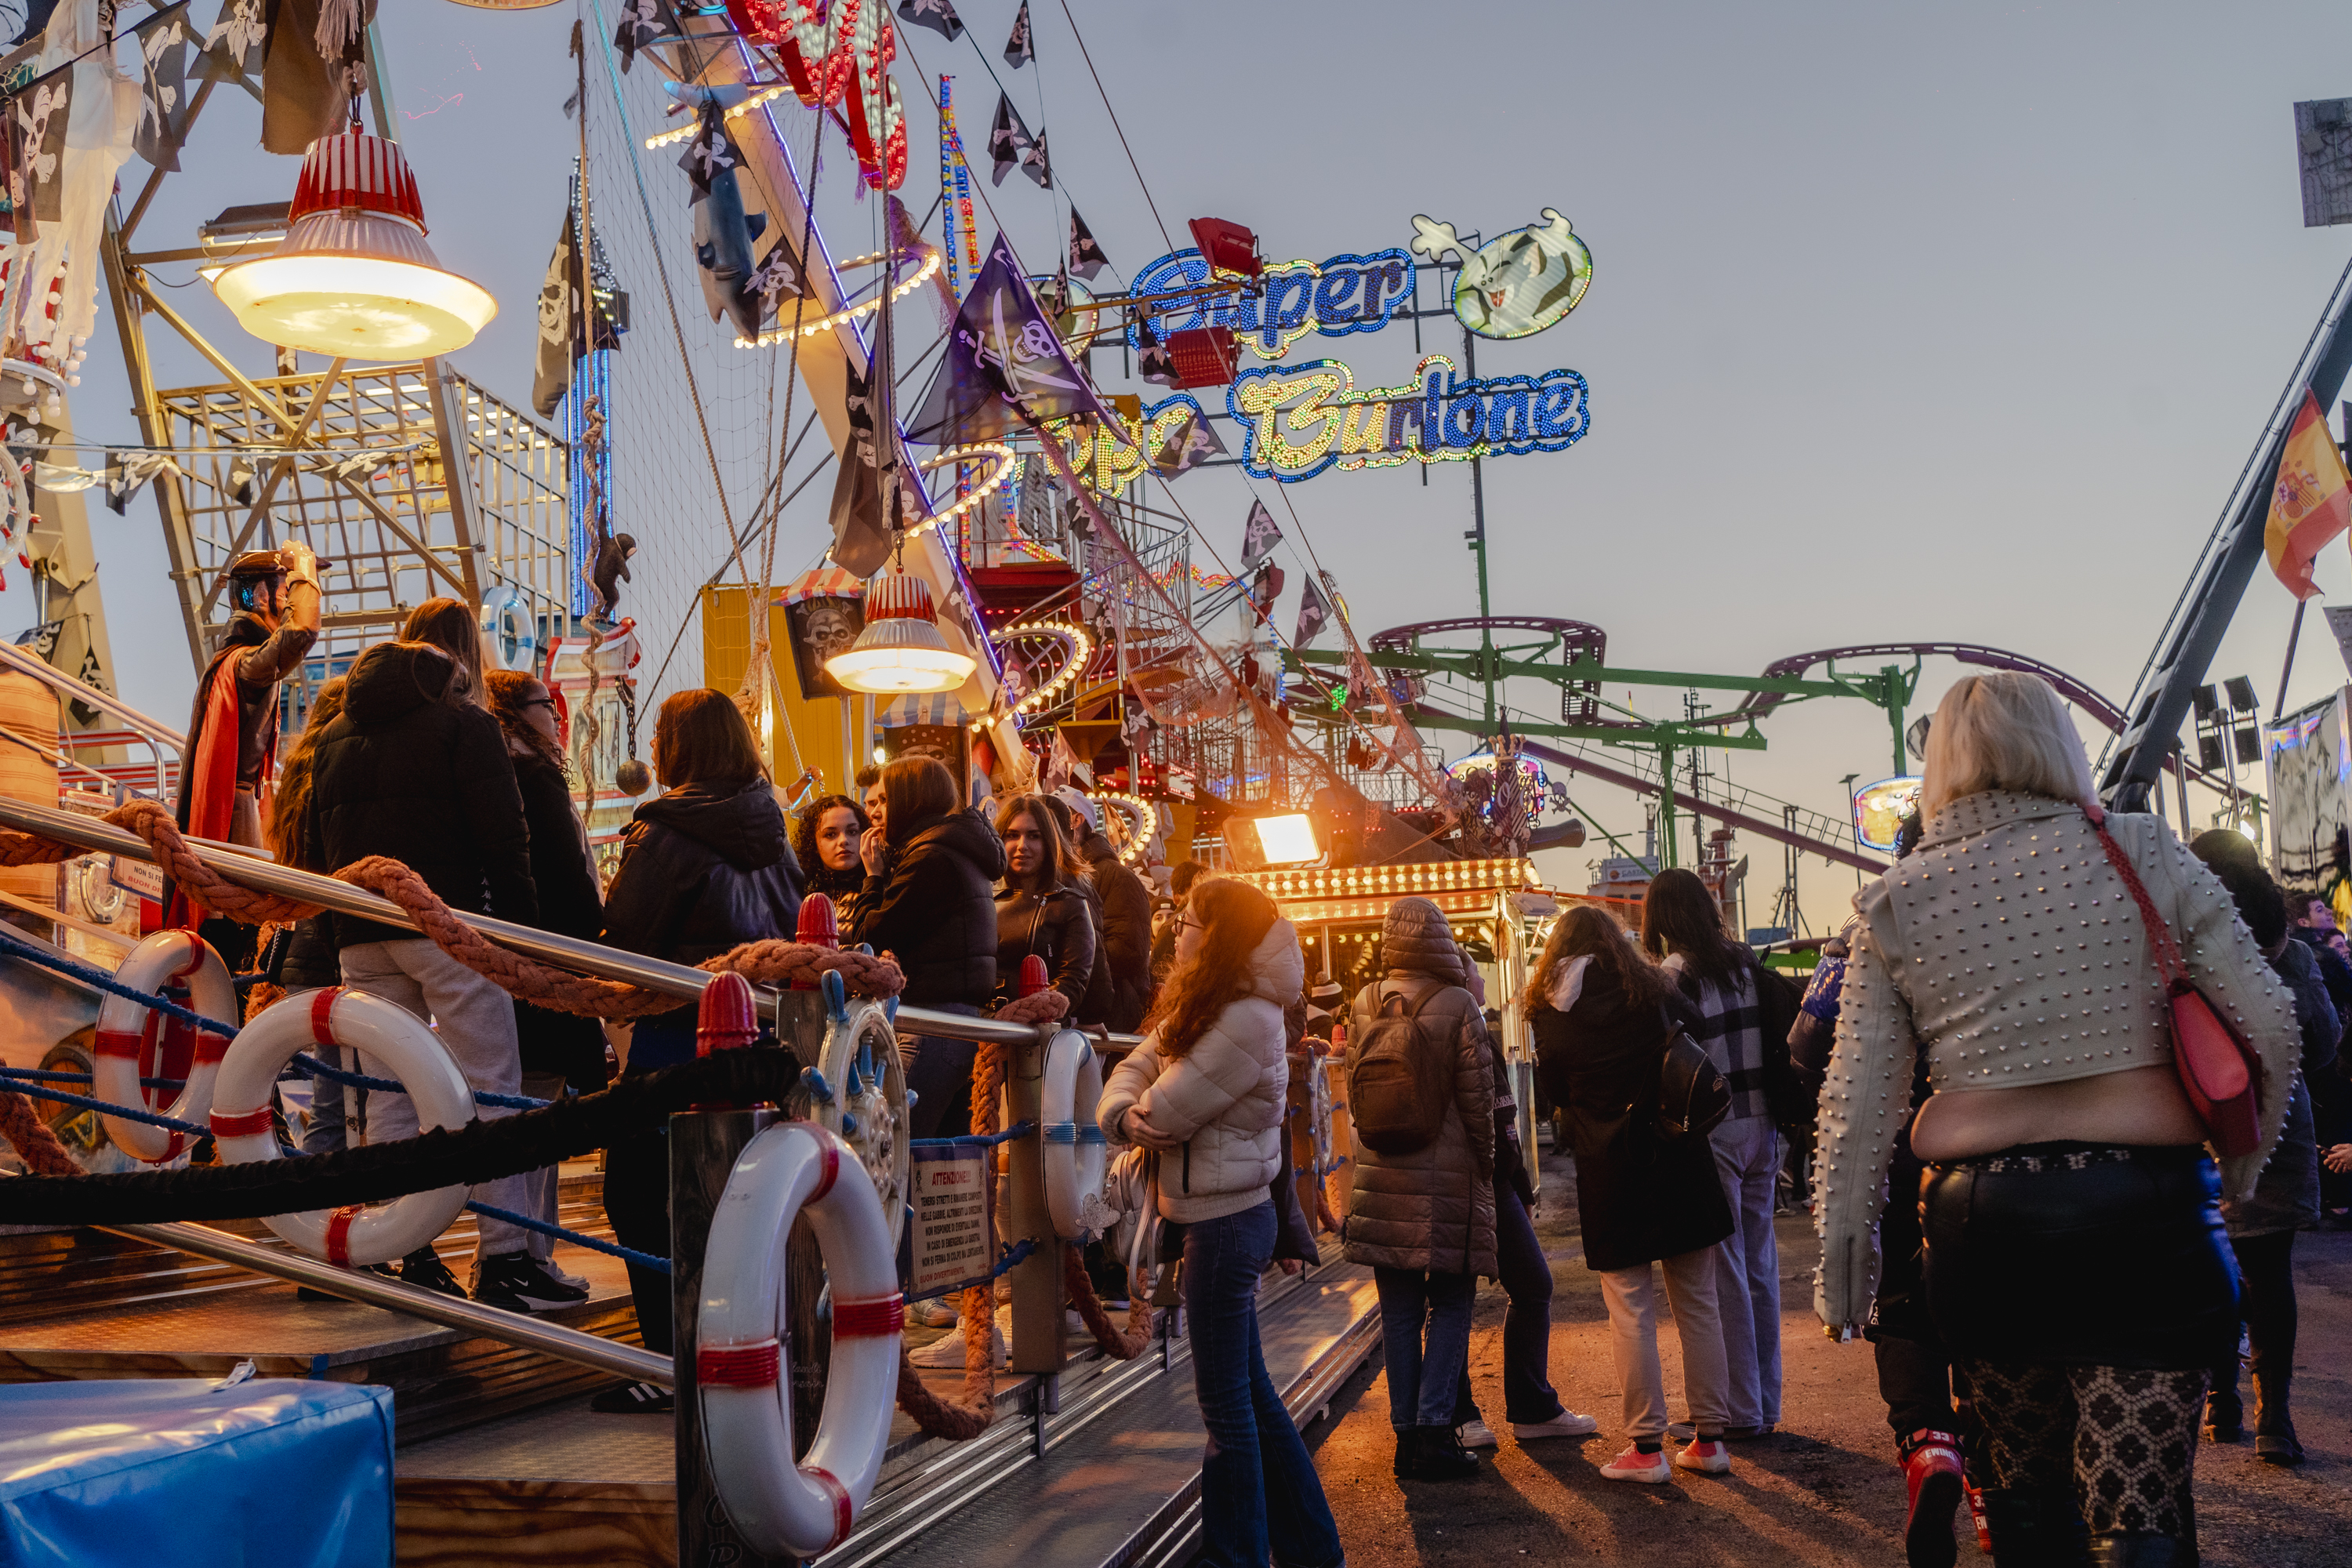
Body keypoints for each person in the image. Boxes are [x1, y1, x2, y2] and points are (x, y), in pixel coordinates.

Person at [1817, 672, 2299, 1564]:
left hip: (1986, 1226)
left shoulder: (1898, 898)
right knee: (2140, 1504)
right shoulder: (2144, 849)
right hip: (2147, 1209)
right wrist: (2240, 1168)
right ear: (2061, 743)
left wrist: (1844, 1269)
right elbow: (2271, 1021)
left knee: (2032, 1506)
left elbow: (1857, 1107)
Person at [305, 599, 565, 1311]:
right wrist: (517, 931)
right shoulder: (464, 725)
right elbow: (502, 835)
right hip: (449, 928)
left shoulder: (332, 738)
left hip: (361, 928)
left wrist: (337, 932)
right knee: (491, 1085)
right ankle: (506, 1255)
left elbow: (312, 852)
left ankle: (405, 1247)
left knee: (388, 1093)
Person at [1098, 878, 1343, 1568]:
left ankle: (1236, 1555)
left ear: (1219, 935)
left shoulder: (1245, 1018)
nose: (1178, 930)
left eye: (1190, 921)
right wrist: (1123, 1109)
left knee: (1227, 1407)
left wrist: (1129, 1111)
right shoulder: (1216, 1004)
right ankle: (1310, 1548)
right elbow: (1138, 1069)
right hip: (1222, 1216)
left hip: (1226, 1223)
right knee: (1253, 1396)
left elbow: (1165, 1111)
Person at [597, 688, 804, 1413]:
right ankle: (748, 1348)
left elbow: (623, 943)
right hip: (762, 1050)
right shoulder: (773, 834)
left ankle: (668, 1362)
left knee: (637, 1198)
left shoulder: (667, 834)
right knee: (737, 1205)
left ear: (675, 747)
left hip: (673, 1042)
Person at [1529, 906, 1735, 1484]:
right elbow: (1696, 1027)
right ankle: (1710, 1440)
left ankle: (1647, 1449)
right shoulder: (1652, 990)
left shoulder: (1549, 1009)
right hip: (1680, 1159)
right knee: (1698, 1302)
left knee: (1630, 1310)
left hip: (1612, 1168)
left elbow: (1555, 1094)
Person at [2187, 832, 2335, 1467]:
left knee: (2210, 1269)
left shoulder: (2183, 952)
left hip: (2198, 1123)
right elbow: (2324, 1045)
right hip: (2277, 1124)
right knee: (2270, 1275)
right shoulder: (2290, 954)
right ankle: (2276, 1417)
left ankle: (2220, 1400)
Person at [1343, 895, 1496, 1481]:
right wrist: (1483, 1167)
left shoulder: (1363, 1001)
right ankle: (1436, 1430)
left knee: (1400, 1311)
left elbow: (1357, 1098)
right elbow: (1478, 1101)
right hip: (1447, 1179)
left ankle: (1406, 1438)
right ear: (1440, 939)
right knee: (1453, 1303)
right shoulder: (1459, 1004)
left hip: (1382, 1175)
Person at [1642, 866, 1782, 1440]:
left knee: (1723, 1270)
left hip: (1715, 1129)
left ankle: (1739, 1410)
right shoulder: (1747, 963)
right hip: (1763, 1124)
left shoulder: (1675, 976)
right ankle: (1766, 1403)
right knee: (1760, 1265)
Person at [485, 669, 606, 1298]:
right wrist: (595, 941)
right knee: (538, 1112)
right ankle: (526, 1257)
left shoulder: (489, 772)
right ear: (515, 711)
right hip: (547, 958)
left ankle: (523, 1253)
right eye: (545, 705)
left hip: (504, 957)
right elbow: (567, 871)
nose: (557, 715)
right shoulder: (534, 774)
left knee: (522, 1106)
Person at [1450, 983, 1597, 1454]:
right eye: (1474, 977)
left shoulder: (1386, 1013)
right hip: (1479, 1180)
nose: (1481, 986)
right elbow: (1501, 1116)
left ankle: (1467, 1414)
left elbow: (1502, 1115)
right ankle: (1496, 1411)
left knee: (1458, 1297)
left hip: (1453, 1183)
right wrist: (1516, 1183)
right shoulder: (1467, 1023)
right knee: (1515, 1288)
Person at [174, 543, 323, 960]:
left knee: (240, 934)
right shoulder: (244, 664)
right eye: (285, 588)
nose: (292, 598)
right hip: (235, 812)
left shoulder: (238, 662)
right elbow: (300, 634)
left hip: (245, 806)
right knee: (233, 936)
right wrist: (305, 570)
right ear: (260, 596)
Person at [844, 757, 1003, 1138]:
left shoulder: (930, 857)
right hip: (957, 1024)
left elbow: (874, 936)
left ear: (909, 799)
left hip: (932, 1024)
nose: (875, 812)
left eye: (883, 800)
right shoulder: (953, 849)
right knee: (939, 1165)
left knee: (892, 1145)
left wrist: (873, 877)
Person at [1058, 786, 1154, 1030]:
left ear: (1076, 820)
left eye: (1052, 815)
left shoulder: (1116, 877)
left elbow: (1129, 951)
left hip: (1113, 1017)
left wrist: (1068, 963)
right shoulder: (1057, 876)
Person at [992, 793, 1096, 1011]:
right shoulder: (984, 896)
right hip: (980, 1023)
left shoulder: (1070, 904)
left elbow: (1073, 982)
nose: (1022, 845)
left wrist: (1028, 1012)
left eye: (1034, 836)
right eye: (1012, 835)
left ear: (1048, 842)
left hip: (1038, 1029)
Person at [792, 793, 869, 924]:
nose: (843, 841)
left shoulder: (882, 890)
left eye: (852, 832)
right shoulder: (798, 896)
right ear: (813, 842)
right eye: (830, 834)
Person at [1151, 858, 1208, 982]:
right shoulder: (1170, 931)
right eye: (1158, 917)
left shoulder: (1166, 933)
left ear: (1175, 897)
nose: (1175, 929)